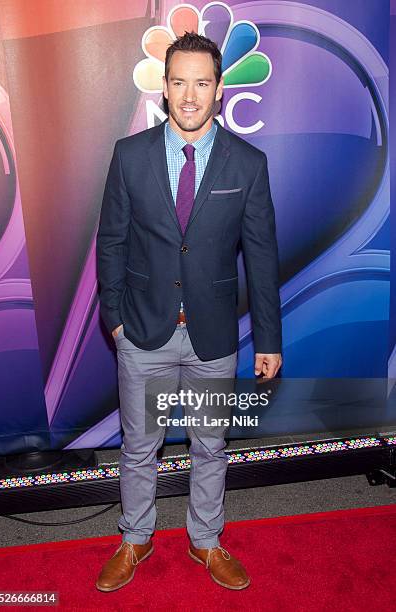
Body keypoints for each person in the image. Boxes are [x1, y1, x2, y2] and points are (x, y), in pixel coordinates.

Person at [95, 31, 282, 592]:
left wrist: (269, 338)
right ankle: (135, 538)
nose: (191, 95)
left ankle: (205, 540)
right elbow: (111, 241)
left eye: (203, 82)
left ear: (220, 89)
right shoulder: (130, 156)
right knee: (139, 446)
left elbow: (264, 255)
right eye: (180, 82)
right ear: (166, 86)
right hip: (143, 330)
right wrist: (116, 321)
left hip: (213, 333)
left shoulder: (248, 163)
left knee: (209, 445)